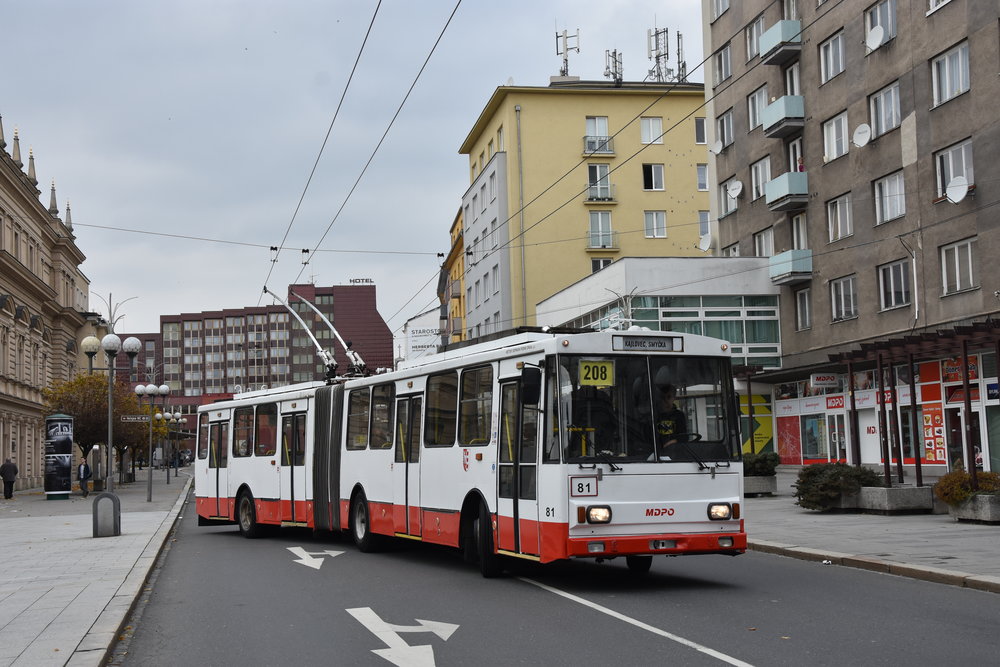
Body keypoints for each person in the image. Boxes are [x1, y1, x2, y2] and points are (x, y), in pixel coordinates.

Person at [655, 384, 688, 456]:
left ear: (674, 398)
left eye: (669, 397)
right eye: (663, 398)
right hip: (657, 455)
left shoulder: (679, 416)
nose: (666, 401)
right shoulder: (654, 416)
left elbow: (684, 437)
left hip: (676, 454)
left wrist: (673, 442)